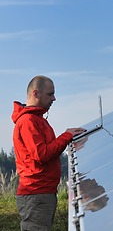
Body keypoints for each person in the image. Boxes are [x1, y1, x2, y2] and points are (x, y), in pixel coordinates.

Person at [12, 75, 86, 231]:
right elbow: (42, 154)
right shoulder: (28, 122)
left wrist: (67, 137)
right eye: (50, 94)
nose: (54, 98)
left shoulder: (37, 119)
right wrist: (66, 136)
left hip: (42, 193)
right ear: (35, 93)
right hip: (36, 194)